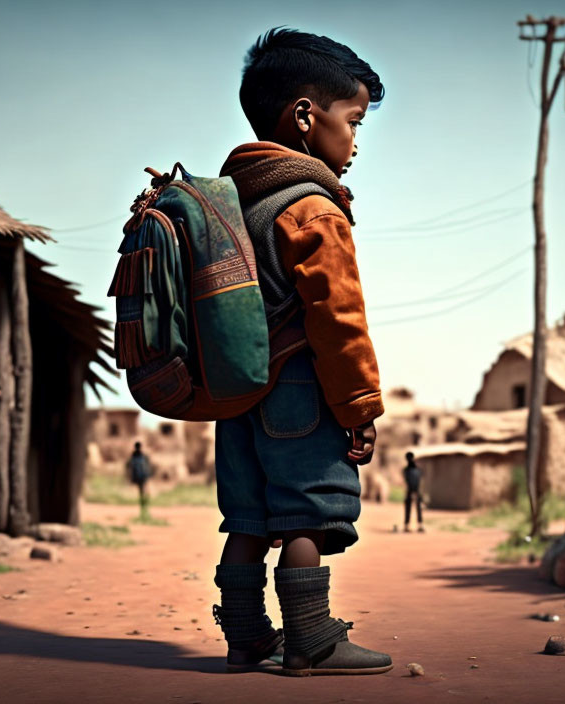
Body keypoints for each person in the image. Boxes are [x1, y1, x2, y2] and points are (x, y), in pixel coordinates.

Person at [210, 28, 391, 676]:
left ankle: (245, 638)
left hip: (236, 393)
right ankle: (311, 641)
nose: (355, 142)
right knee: (307, 516)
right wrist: (359, 405)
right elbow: (339, 320)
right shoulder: (313, 207)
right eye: (353, 120)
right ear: (307, 118)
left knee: (250, 519)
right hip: (299, 392)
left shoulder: (234, 203)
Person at [402, 451, 425, 533]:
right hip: (411, 490)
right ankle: (407, 525)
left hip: (416, 490)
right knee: (409, 508)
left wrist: (415, 491)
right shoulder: (407, 470)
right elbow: (408, 481)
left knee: (418, 508)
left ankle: (420, 525)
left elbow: (418, 480)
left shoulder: (414, 470)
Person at [127, 441, 152, 512]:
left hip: (137, 476)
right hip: (143, 476)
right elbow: (147, 466)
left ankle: (143, 506)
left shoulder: (133, 456)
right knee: (145, 491)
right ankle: (144, 506)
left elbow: (129, 466)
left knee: (141, 491)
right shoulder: (143, 456)